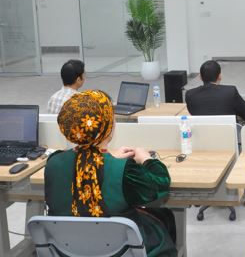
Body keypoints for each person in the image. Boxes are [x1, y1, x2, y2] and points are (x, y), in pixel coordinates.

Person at [45, 90, 177, 257]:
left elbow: (85, 168)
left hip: (68, 249)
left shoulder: (53, 163)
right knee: (164, 216)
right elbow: (159, 184)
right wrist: (146, 159)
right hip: (121, 251)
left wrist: (110, 159)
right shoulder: (125, 171)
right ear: (107, 127)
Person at [185, 60, 245, 124]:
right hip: (228, 134)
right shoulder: (230, 92)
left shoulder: (190, 95)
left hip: (202, 134)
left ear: (200, 77)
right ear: (220, 76)